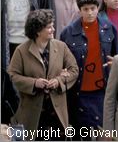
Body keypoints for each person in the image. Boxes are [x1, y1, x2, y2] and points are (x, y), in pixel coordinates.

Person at [7, 10, 78, 138]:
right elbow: (12, 75)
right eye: (49, 27)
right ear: (37, 31)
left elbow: (74, 69)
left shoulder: (61, 47)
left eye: (53, 25)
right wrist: (34, 83)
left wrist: (58, 80)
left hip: (57, 114)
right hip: (32, 114)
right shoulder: (21, 50)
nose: (53, 29)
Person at [60, 0, 118, 135]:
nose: (90, 12)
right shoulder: (68, 33)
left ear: (98, 8)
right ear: (79, 10)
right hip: (79, 91)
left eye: (93, 8)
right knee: (81, 132)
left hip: (102, 89)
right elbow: (63, 61)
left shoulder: (109, 28)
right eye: (85, 9)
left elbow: (115, 56)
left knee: (103, 132)